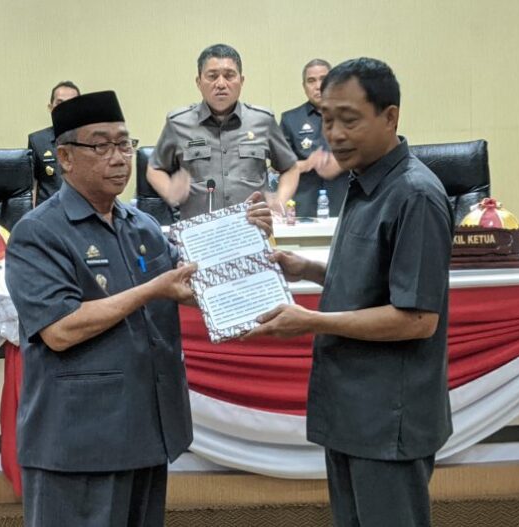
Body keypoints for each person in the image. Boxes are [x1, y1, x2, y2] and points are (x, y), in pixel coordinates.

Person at [5, 90, 272, 527]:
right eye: (101, 146)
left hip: (146, 430)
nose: (119, 158)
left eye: (124, 144)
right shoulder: (39, 232)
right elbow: (60, 330)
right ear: (65, 157)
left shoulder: (142, 226)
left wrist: (244, 235)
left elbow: (192, 282)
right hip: (79, 443)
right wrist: (151, 290)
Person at [246, 58, 454, 527]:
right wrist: (308, 269)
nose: (334, 135)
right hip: (350, 409)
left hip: (387, 417)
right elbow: (372, 282)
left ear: (390, 117)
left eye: (349, 120)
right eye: (327, 120)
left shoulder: (415, 195)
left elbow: (417, 319)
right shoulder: (364, 182)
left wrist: (311, 321)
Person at [147, 43, 299, 219]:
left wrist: (279, 200)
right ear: (198, 82)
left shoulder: (263, 120)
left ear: (241, 81)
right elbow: (154, 168)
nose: (220, 84)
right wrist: (170, 191)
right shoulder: (178, 123)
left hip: (252, 228)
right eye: (212, 76)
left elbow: (290, 167)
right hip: (199, 229)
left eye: (229, 76)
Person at [280, 59, 347, 217]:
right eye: (311, 81)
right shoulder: (290, 119)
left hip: (346, 202)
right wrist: (307, 164)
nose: (318, 86)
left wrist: (341, 163)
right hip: (304, 206)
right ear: (304, 87)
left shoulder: (351, 116)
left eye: (323, 79)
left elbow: (368, 156)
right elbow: (281, 165)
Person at [27, 80, 80, 206]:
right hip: (48, 211)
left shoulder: (90, 140)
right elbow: (31, 186)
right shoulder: (37, 140)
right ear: (51, 108)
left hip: (80, 210)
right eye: (60, 103)